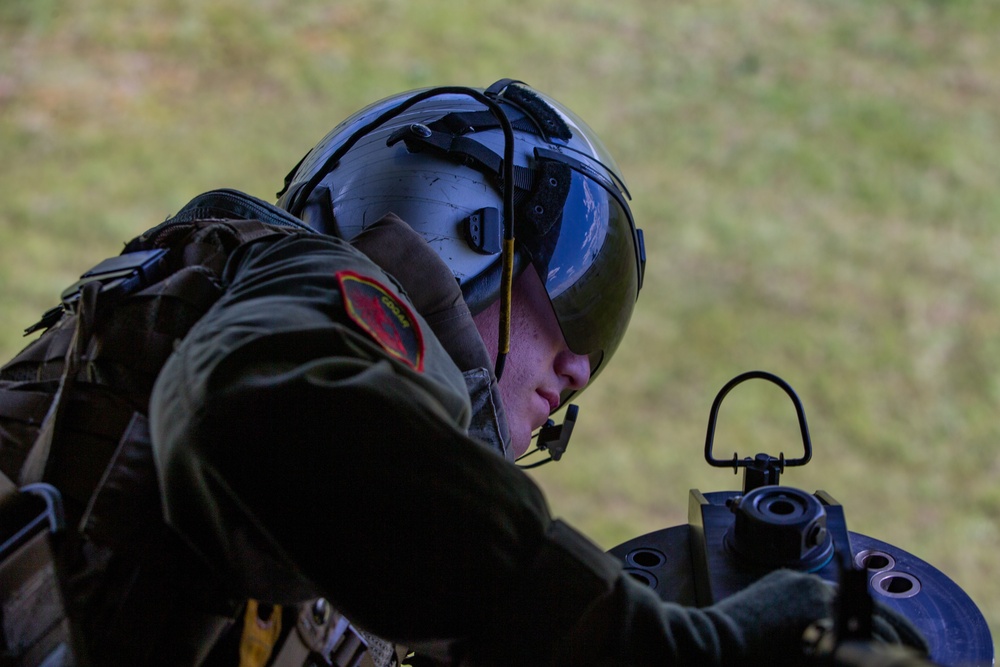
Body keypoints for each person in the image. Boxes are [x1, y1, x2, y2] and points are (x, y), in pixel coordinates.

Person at [0, 79, 925, 666]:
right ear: (462, 219)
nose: (579, 366)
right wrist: (653, 647)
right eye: (578, 296)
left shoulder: (379, 531)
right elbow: (262, 405)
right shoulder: (320, 282)